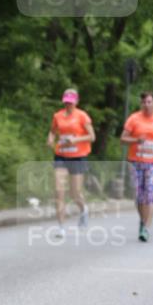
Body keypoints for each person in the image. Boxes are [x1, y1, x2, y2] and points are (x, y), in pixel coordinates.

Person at [120, 91, 153, 242]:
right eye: (144, 102)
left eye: (149, 102)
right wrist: (136, 140)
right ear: (141, 104)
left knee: (149, 192)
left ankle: (146, 228)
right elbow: (122, 139)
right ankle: (143, 221)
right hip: (135, 161)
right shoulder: (133, 119)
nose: (147, 105)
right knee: (139, 196)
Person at [47, 88, 95, 237]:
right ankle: (61, 227)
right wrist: (50, 138)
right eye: (66, 102)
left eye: (71, 103)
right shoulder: (58, 116)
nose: (68, 105)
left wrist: (76, 139)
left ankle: (84, 210)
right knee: (59, 191)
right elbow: (53, 131)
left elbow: (92, 136)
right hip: (61, 155)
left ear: (76, 102)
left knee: (74, 193)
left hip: (78, 156)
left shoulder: (82, 116)